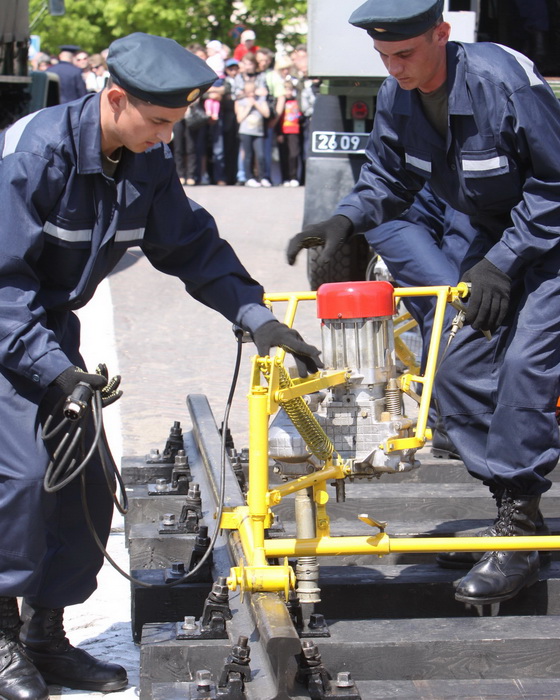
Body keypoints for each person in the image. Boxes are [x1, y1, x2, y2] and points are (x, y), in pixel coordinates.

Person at [0, 31, 322, 700]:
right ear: (116, 98)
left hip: (48, 333)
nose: (167, 136)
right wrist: (53, 370)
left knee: (84, 480)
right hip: (8, 330)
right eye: (159, 121)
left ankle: (45, 636)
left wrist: (257, 318)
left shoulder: (144, 159)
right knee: (24, 479)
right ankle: (1, 638)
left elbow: (192, 247)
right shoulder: (34, 154)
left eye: (176, 123)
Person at [287, 0, 560, 608]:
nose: (395, 68)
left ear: (442, 33)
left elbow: (555, 183)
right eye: (383, 56)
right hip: (495, 243)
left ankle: (518, 532)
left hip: (548, 244)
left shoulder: (502, 83)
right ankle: (516, 517)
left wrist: (503, 261)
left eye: (405, 53)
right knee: (455, 365)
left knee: (523, 367)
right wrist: (343, 220)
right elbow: (388, 180)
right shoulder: (399, 95)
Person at [235, 79, 270, 187]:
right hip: (246, 132)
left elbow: (267, 114)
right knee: (248, 155)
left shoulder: (261, 100)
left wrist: (256, 104)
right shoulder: (241, 101)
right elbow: (239, 118)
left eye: (252, 91)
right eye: (248, 92)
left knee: (260, 155)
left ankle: (262, 177)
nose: (251, 94)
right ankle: (249, 177)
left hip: (258, 132)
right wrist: (249, 106)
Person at [277, 79, 302, 187]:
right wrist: (279, 133)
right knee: (284, 155)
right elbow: (277, 118)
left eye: (290, 90)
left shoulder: (296, 101)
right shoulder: (280, 102)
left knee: (294, 154)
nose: (288, 92)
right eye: (286, 89)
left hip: (294, 130)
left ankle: (293, 177)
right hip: (283, 131)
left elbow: (300, 115)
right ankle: (285, 178)